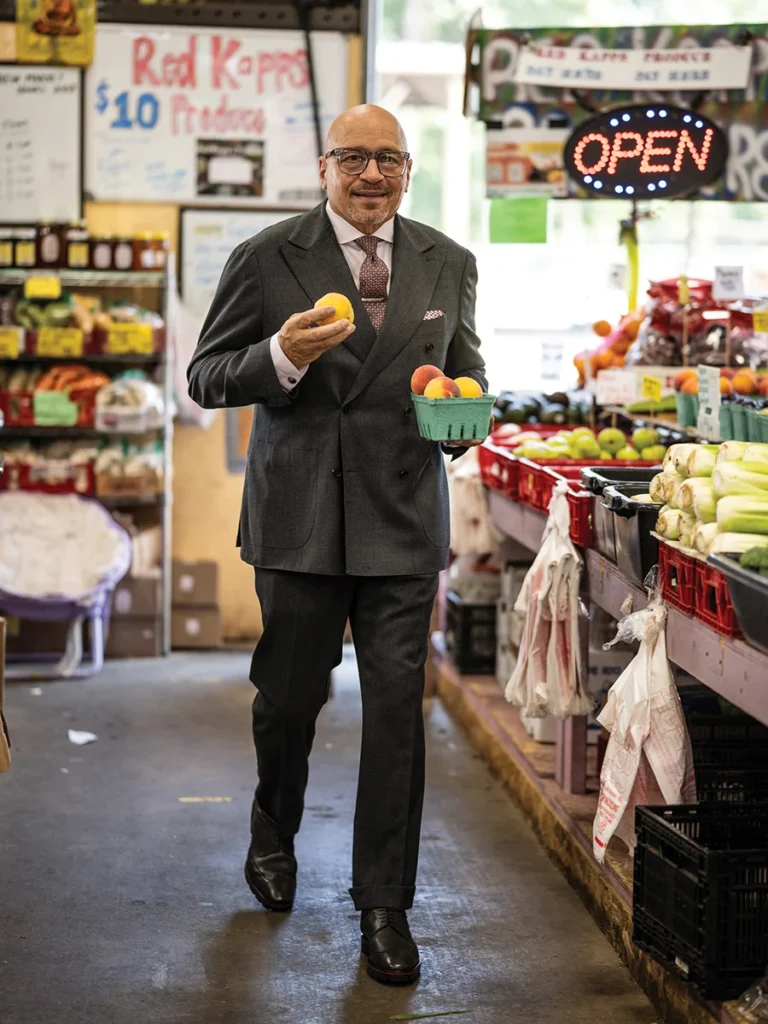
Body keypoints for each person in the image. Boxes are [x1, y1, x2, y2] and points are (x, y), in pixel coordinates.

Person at [187, 104, 486, 986]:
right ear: (323, 168)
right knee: (287, 700)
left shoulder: (448, 261)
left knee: (399, 715)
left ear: (406, 172)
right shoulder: (266, 257)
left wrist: (462, 416)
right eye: (352, 158)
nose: (370, 175)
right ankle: (271, 827)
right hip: (299, 520)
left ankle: (384, 906)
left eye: (387, 160)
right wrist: (277, 357)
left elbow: (464, 370)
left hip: (402, 520)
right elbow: (206, 376)